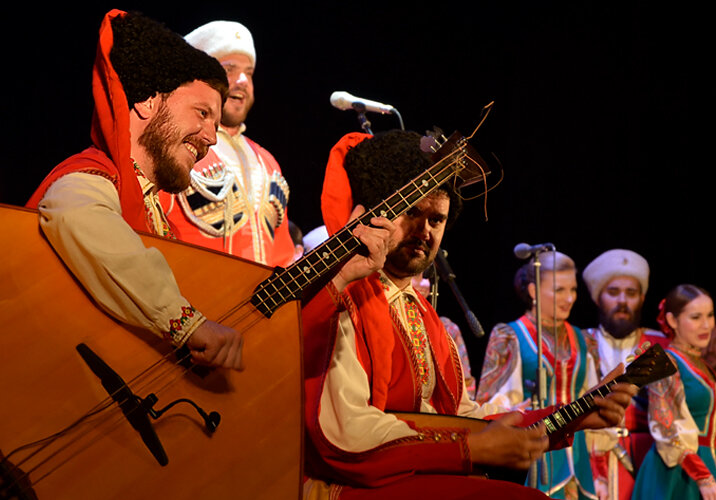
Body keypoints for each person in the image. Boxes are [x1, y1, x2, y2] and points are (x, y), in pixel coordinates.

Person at [301, 129, 637, 499]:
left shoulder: (426, 318)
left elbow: (464, 423)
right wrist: (467, 449)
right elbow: (345, 435)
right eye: (411, 212)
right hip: (347, 485)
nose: (423, 231)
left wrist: (574, 416)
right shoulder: (341, 299)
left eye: (436, 220)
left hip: (405, 477)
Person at [25, 10, 248, 369]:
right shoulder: (91, 175)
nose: (211, 137)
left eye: (216, 124)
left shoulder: (155, 215)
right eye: (202, 113)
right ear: (148, 101)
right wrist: (186, 324)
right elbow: (74, 214)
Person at [159, 20, 294, 267]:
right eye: (229, 69)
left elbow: (284, 259)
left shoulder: (268, 163)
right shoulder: (177, 146)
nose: (242, 80)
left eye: (249, 73)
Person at [476, 250, 599, 499]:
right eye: (559, 290)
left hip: (578, 454)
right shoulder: (510, 336)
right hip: (534, 449)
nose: (569, 298)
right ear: (533, 291)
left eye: (573, 290)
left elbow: (593, 396)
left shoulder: (584, 339)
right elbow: (489, 404)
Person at [580, 249, 671, 500]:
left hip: (650, 462)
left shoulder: (660, 345)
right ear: (598, 298)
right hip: (591, 462)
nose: (623, 301)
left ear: (642, 298)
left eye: (631, 293)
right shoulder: (579, 343)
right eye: (613, 292)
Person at [631, 284, 716, 500]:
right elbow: (667, 426)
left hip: (709, 461)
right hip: (680, 471)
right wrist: (703, 477)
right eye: (696, 317)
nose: (706, 325)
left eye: (710, 315)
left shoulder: (702, 364)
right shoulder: (664, 362)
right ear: (672, 320)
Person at [411, 273, 477, 398]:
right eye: (415, 276)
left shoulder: (447, 328)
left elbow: (465, 382)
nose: (424, 283)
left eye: (426, 277)